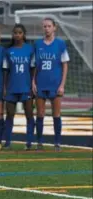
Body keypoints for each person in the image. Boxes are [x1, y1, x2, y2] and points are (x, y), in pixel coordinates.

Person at [33, 17, 70, 152]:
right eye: (44, 26)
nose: (47, 29)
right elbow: (35, 66)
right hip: (41, 84)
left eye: (49, 26)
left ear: (54, 28)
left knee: (56, 114)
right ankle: (39, 143)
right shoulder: (38, 44)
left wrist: (62, 85)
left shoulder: (60, 44)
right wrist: (33, 82)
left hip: (55, 84)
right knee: (40, 114)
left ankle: (57, 143)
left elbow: (65, 66)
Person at [3, 24, 35, 150]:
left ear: (24, 34)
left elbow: (33, 69)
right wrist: (4, 88)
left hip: (26, 87)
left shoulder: (30, 49)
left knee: (29, 115)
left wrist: (33, 84)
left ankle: (29, 143)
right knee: (10, 114)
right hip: (11, 87)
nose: (17, 35)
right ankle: (8, 142)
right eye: (15, 32)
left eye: (20, 32)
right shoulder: (8, 51)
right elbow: (5, 70)